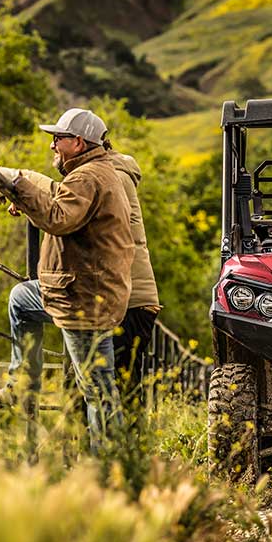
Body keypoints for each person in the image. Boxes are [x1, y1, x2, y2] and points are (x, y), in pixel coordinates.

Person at [0, 108, 134, 445]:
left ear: (79, 143)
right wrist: (25, 200)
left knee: (98, 392)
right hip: (78, 290)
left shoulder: (87, 177)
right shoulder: (93, 173)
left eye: (58, 139)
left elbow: (58, 217)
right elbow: (64, 207)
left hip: (84, 300)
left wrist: (16, 185)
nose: (53, 145)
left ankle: (111, 472)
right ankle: (20, 385)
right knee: (21, 299)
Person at [103, 141, 160, 392]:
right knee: (124, 385)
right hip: (134, 299)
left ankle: (121, 432)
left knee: (118, 387)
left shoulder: (112, 177)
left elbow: (69, 211)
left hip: (128, 300)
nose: (53, 146)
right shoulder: (118, 174)